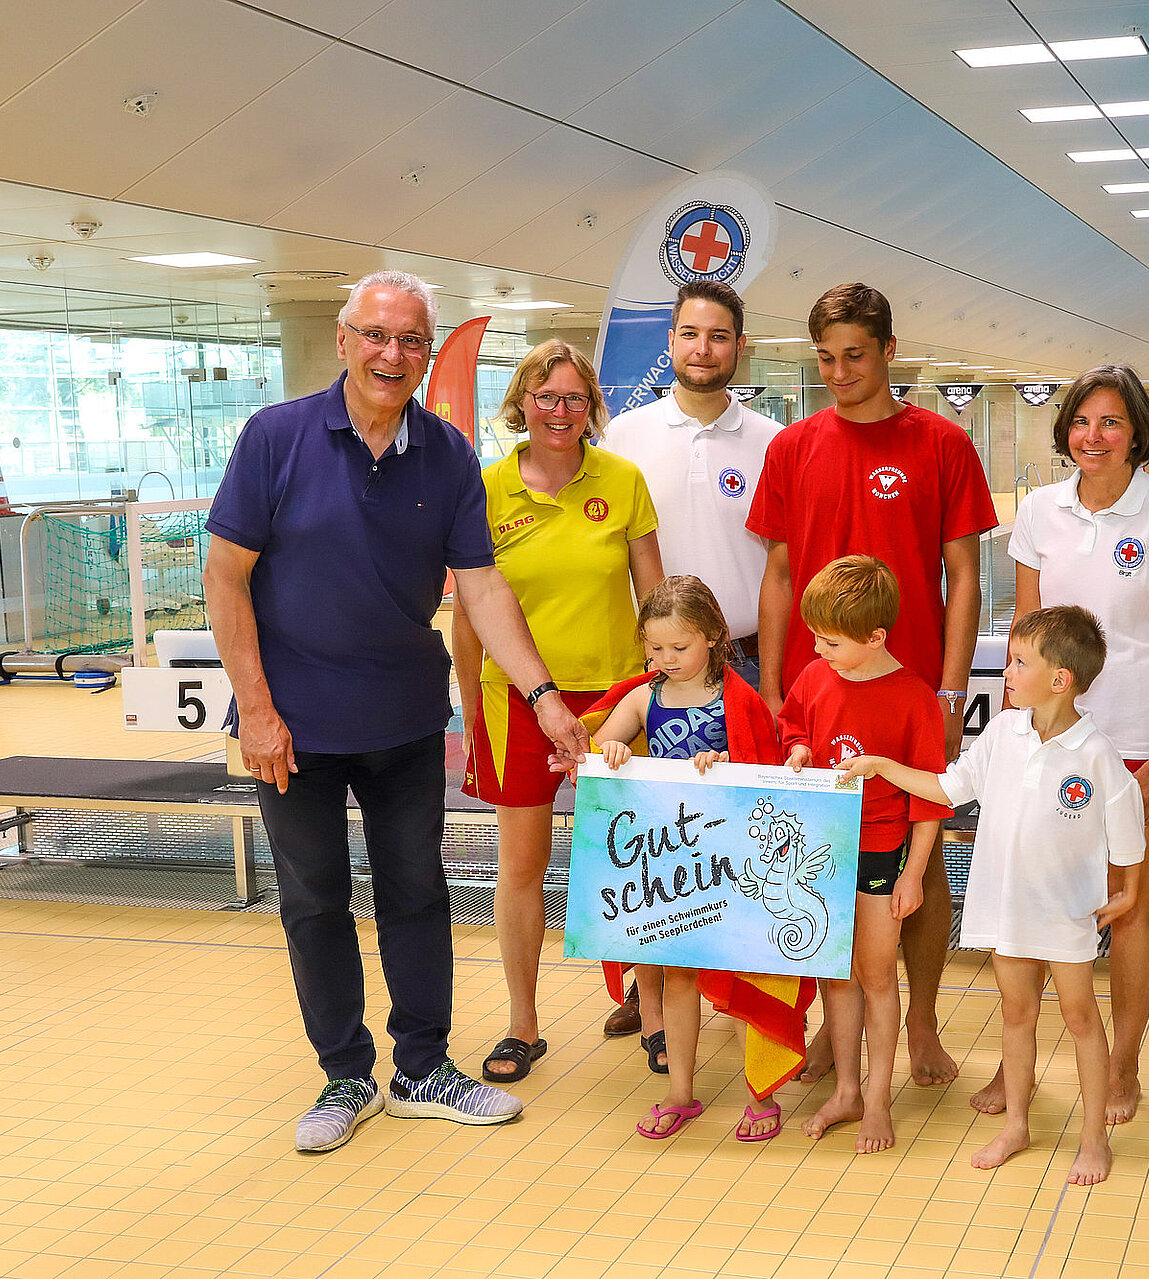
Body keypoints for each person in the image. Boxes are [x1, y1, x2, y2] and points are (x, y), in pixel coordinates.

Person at [204, 270, 588, 1153]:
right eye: (377, 335)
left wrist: (542, 695)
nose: (393, 354)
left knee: (417, 890)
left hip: (406, 718)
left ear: (426, 353)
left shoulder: (447, 453)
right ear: (344, 340)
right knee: (315, 899)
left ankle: (422, 1068)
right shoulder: (276, 436)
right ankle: (346, 1074)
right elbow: (224, 578)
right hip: (291, 724)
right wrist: (255, 709)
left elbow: (481, 586)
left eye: (412, 340)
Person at [749, 282, 998, 1088]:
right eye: (825, 358)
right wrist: (776, 687)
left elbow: (965, 577)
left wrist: (951, 692)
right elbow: (779, 573)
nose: (839, 372)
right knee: (820, 863)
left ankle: (920, 1018)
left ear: (890, 349)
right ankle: (837, 1020)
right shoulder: (792, 447)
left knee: (920, 856)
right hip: (817, 694)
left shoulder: (941, 443)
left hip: (910, 688)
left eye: (854, 355)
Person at [840, 605, 1145, 1185]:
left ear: (1060, 679)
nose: (1006, 672)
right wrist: (881, 766)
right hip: (1009, 908)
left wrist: (1128, 890)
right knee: (1016, 1013)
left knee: (1080, 1016)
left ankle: (1093, 1138)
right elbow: (946, 788)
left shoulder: (1095, 754)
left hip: (1066, 912)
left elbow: (1127, 825)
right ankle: (1017, 1125)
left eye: (1019, 663)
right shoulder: (1004, 732)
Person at [990, 363, 1149, 1125]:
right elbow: (1025, 637)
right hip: (1048, 736)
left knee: (1128, 899)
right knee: (1033, 893)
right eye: (1082, 421)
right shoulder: (1040, 511)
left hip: (1131, 735)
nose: (1094, 436)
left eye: (1111, 421)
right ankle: (1017, 1059)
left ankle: (1123, 1061)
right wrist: (1014, 730)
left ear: (1137, 431)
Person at [450, 339, 662, 1085]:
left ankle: (654, 1010)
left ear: (592, 406)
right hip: (515, 701)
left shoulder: (624, 481)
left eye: (575, 398)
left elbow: (655, 601)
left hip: (615, 701)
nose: (560, 411)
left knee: (639, 857)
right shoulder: (486, 488)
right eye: (546, 397)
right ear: (522, 403)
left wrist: (664, 696)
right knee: (521, 867)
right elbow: (470, 616)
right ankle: (522, 1023)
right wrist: (470, 714)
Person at [597, 279, 782, 1041]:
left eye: (719, 335)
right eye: (690, 334)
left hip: (748, 664)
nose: (703, 349)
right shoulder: (625, 435)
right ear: (670, 341)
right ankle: (654, 988)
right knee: (658, 840)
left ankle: (744, 990)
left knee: (741, 840)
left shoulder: (772, 440)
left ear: (740, 345)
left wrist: (775, 680)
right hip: (662, 670)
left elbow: (783, 563)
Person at [588, 577, 811, 1141]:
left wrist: (729, 759)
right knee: (679, 976)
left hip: (730, 860)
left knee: (742, 973)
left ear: (712, 636)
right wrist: (613, 746)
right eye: (655, 648)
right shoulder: (644, 698)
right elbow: (601, 747)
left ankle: (760, 1095)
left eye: (679, 647)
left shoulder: (740, 699)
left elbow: (765, 773)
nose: (666, 659)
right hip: (671, 862)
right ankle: (680, 1092)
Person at [775, 556, 951, 1153]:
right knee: (836, 974)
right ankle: (848, 1090)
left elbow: (930, 801)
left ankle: (878, 1100)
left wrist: (915, 875)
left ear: (876, 637)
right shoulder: (814, 677)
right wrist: (799, 751)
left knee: (875, 976)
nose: (817, 650)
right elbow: (793, 727)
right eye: (816, 638)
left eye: (831, 642)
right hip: (821, 849)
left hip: (880, 852)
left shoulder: (914, 699)